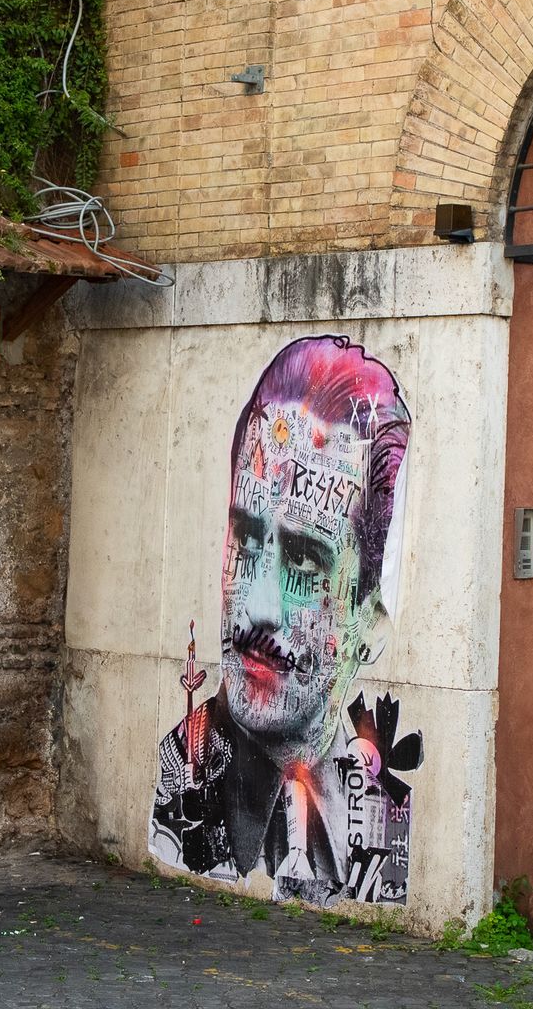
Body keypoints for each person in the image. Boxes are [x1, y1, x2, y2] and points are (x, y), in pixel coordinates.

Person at [148, 335, 418, 904]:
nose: (258, 607)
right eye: (245, 543)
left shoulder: (383, 825)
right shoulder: (178, 783)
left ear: (369, 620)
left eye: (301, 561)